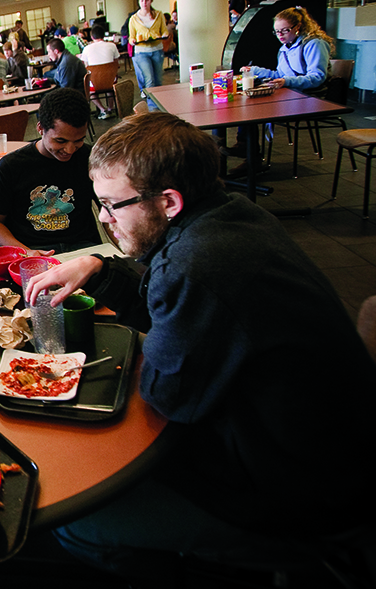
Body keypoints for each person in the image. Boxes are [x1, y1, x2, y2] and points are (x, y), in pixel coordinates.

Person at [24, 112, 376, 585]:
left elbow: (166, 396)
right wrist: (99, 268)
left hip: (301, 497)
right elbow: (167, 302)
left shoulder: (197, 265)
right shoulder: (230, 215)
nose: (105, 220)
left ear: (168, 201)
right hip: (328, 448)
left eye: (111, 206)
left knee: (80, 521)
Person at [0, 88, 100, 255]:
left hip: (84, 248)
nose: (69, 149)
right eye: (60, 140)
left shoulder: (90, 158)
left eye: (79, 140)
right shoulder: (11, 166)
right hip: (33, 250)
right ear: (40, 128)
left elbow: (109, 211)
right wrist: (26, 252)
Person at [225, 6, 334, 178]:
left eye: (285, 30)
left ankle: (250, 155)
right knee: (248, 103)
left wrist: (286, 81)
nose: (280, 35)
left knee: (253, 108)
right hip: (292, 94)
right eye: (277, 32)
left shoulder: (314, 44)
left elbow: (317, 77)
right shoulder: (284, 48)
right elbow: (280, 75)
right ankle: (247, 150)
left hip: (311, 97)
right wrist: (255, 70)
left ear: (298, 27)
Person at [129, 0, 168, 110]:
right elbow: (131, 37)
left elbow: (164, 31)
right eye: (142, 0)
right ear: (139, 2)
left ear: (151, 1)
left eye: (146, 0)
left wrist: (165, 35)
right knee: (149, 78)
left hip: (157, 49)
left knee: (158, 79)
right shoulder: (134, 18)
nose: (144, 3)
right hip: (141, 51)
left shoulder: (158, 15)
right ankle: (152, 107)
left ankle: (159, 104)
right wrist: (133, 41)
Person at [79, 24, 120, 119]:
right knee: (110, 88)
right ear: (104, 35)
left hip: (95, 81)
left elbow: (86, 66)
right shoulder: (112, 45)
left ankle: (102, 110)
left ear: (92, 37)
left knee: (90, 91)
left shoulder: (87, 49)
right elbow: (116, 63)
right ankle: (111, 108)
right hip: (110, 81)